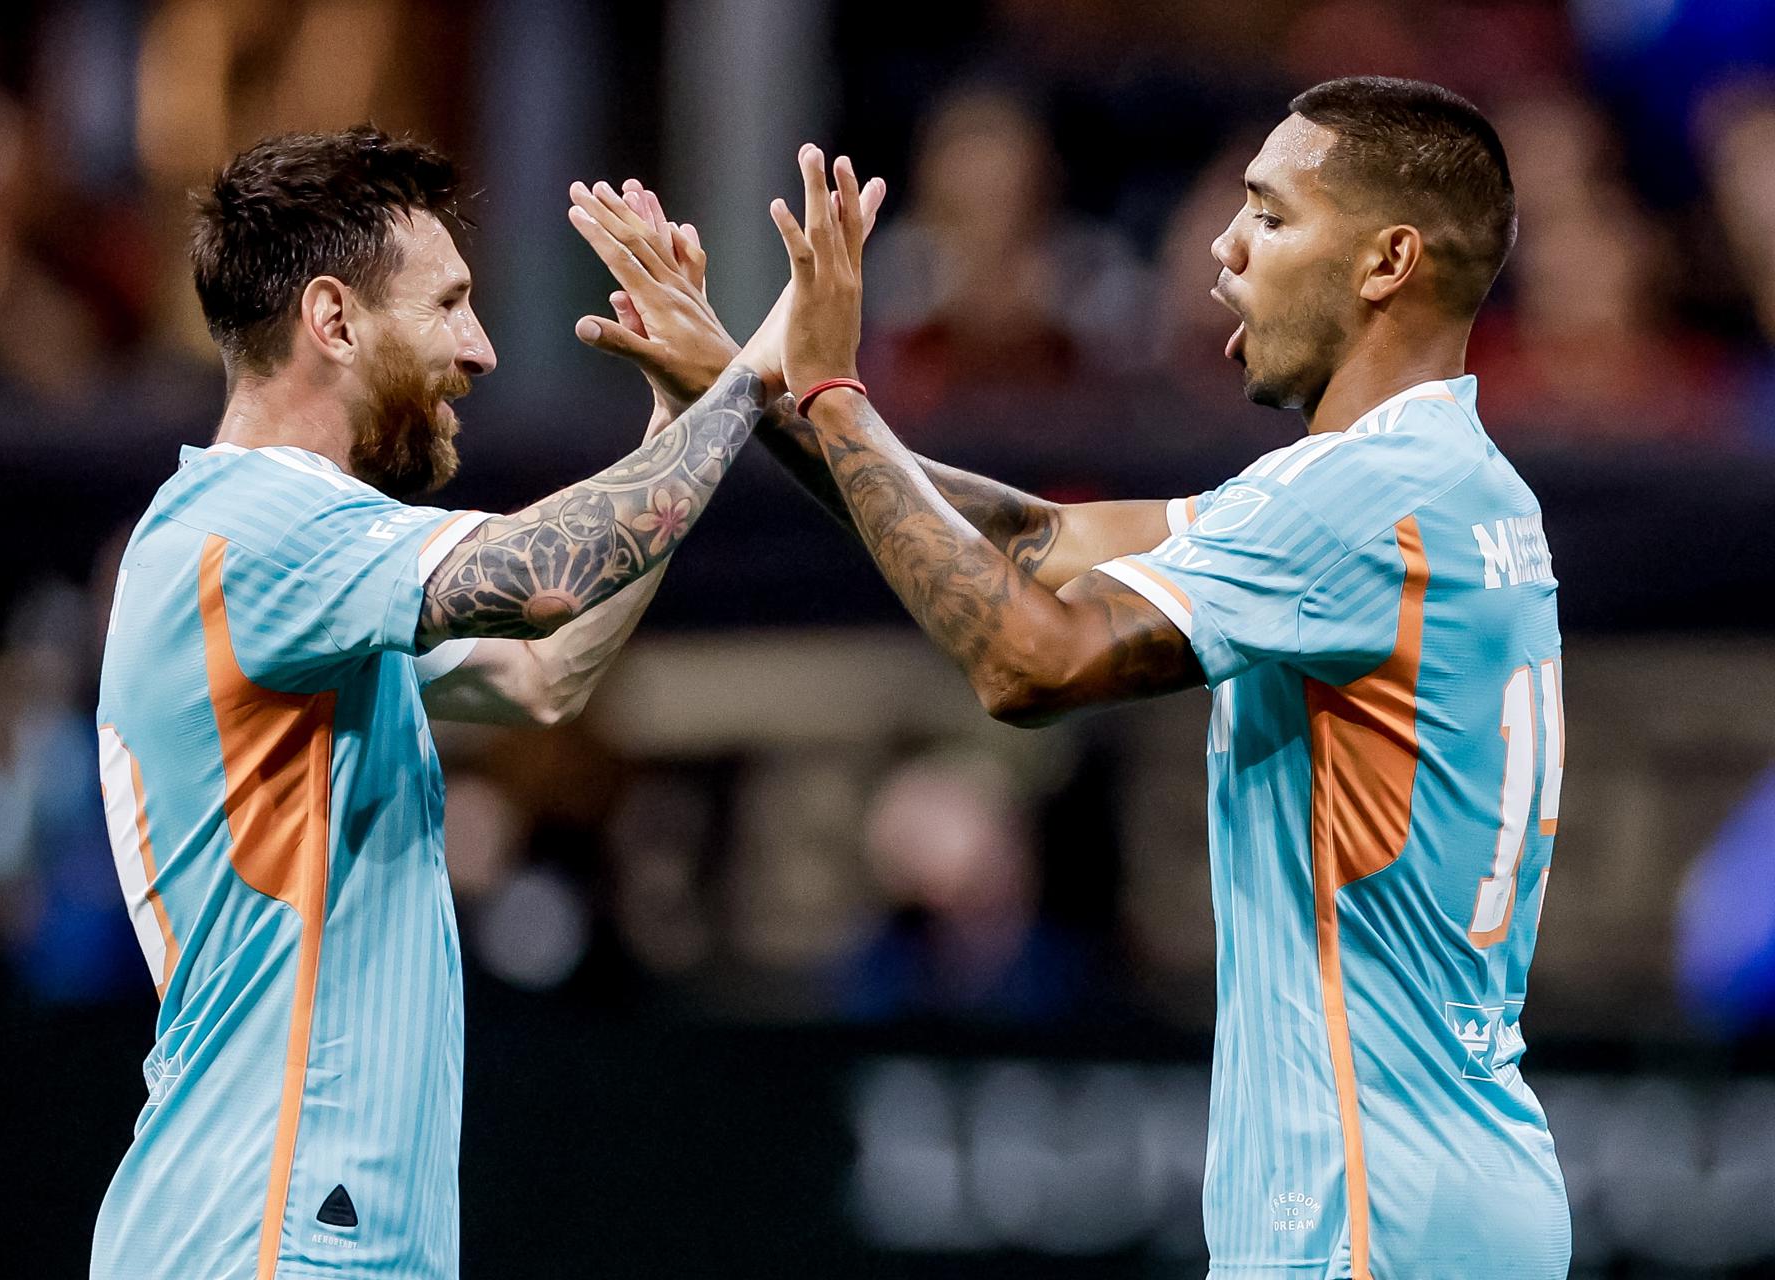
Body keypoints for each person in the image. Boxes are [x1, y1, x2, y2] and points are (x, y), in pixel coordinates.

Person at [582, 76, 1568, 1280]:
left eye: (1268, 213)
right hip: (1462, 1189)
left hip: (1370, 1219)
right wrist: (754, 392)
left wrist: (836, 392)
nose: (1223, 244)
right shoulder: (1453, 482)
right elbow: (1040, 539)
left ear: (1386, 261)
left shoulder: (1351, 502)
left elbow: (1026, 657)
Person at [89, 126, 793, 1280]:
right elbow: (548, 572)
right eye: (451, 303)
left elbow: (545, 670)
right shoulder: (250, 529)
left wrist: (679, 407)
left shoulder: (300, 574)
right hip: (264, 1238)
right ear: (334, 319)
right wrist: (752, 373)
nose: (481, 350)